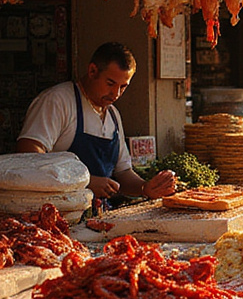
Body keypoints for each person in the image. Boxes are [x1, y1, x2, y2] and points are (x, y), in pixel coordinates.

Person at [16, 42, 176, 206]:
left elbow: (123, 172)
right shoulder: (58, 101)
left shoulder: (113, 115)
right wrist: (84, 181)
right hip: (57, 212)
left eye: (123, 86)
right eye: (110, 83)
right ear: (92, 71)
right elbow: (29, 153)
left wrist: (145, 188)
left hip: (98, 215)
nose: (116, 93)